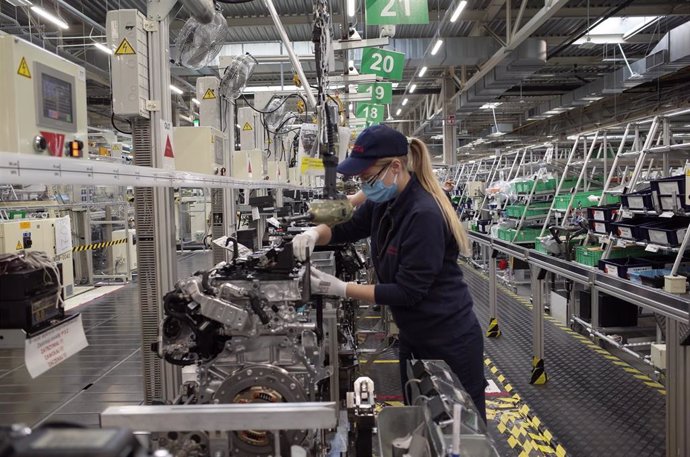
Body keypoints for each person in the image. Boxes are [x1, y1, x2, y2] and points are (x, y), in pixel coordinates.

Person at [292, 124, 486, 421]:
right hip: (414, 336)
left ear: (396, 167)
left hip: (449, 341)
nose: (364, 185)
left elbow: (408, 291)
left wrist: (339, 288)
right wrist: (315, 234)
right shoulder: (385, 202)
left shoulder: (424, 214)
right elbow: (349, 227)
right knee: (421, 424)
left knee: (458, 433)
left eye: (367, 178)